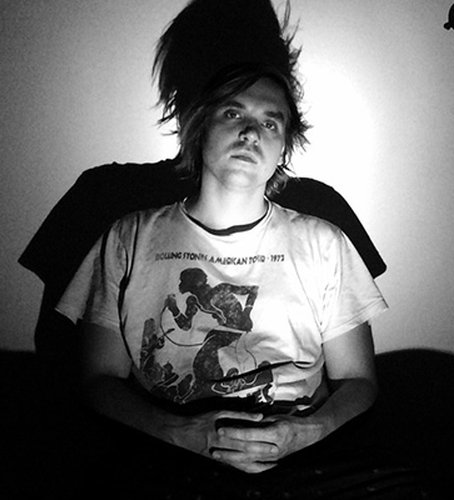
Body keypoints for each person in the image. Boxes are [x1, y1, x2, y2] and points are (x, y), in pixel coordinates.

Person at [48, 3, 426, 493]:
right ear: (199, 123)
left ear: (285, 142)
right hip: (169, 458)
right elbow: (97, 380)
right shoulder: (127, 234)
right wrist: (180, 433)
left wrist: (301, 434)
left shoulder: (324, 239)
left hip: (299, 460)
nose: (250, 133)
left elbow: (358, 381)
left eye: (270, 122)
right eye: (233, 113)